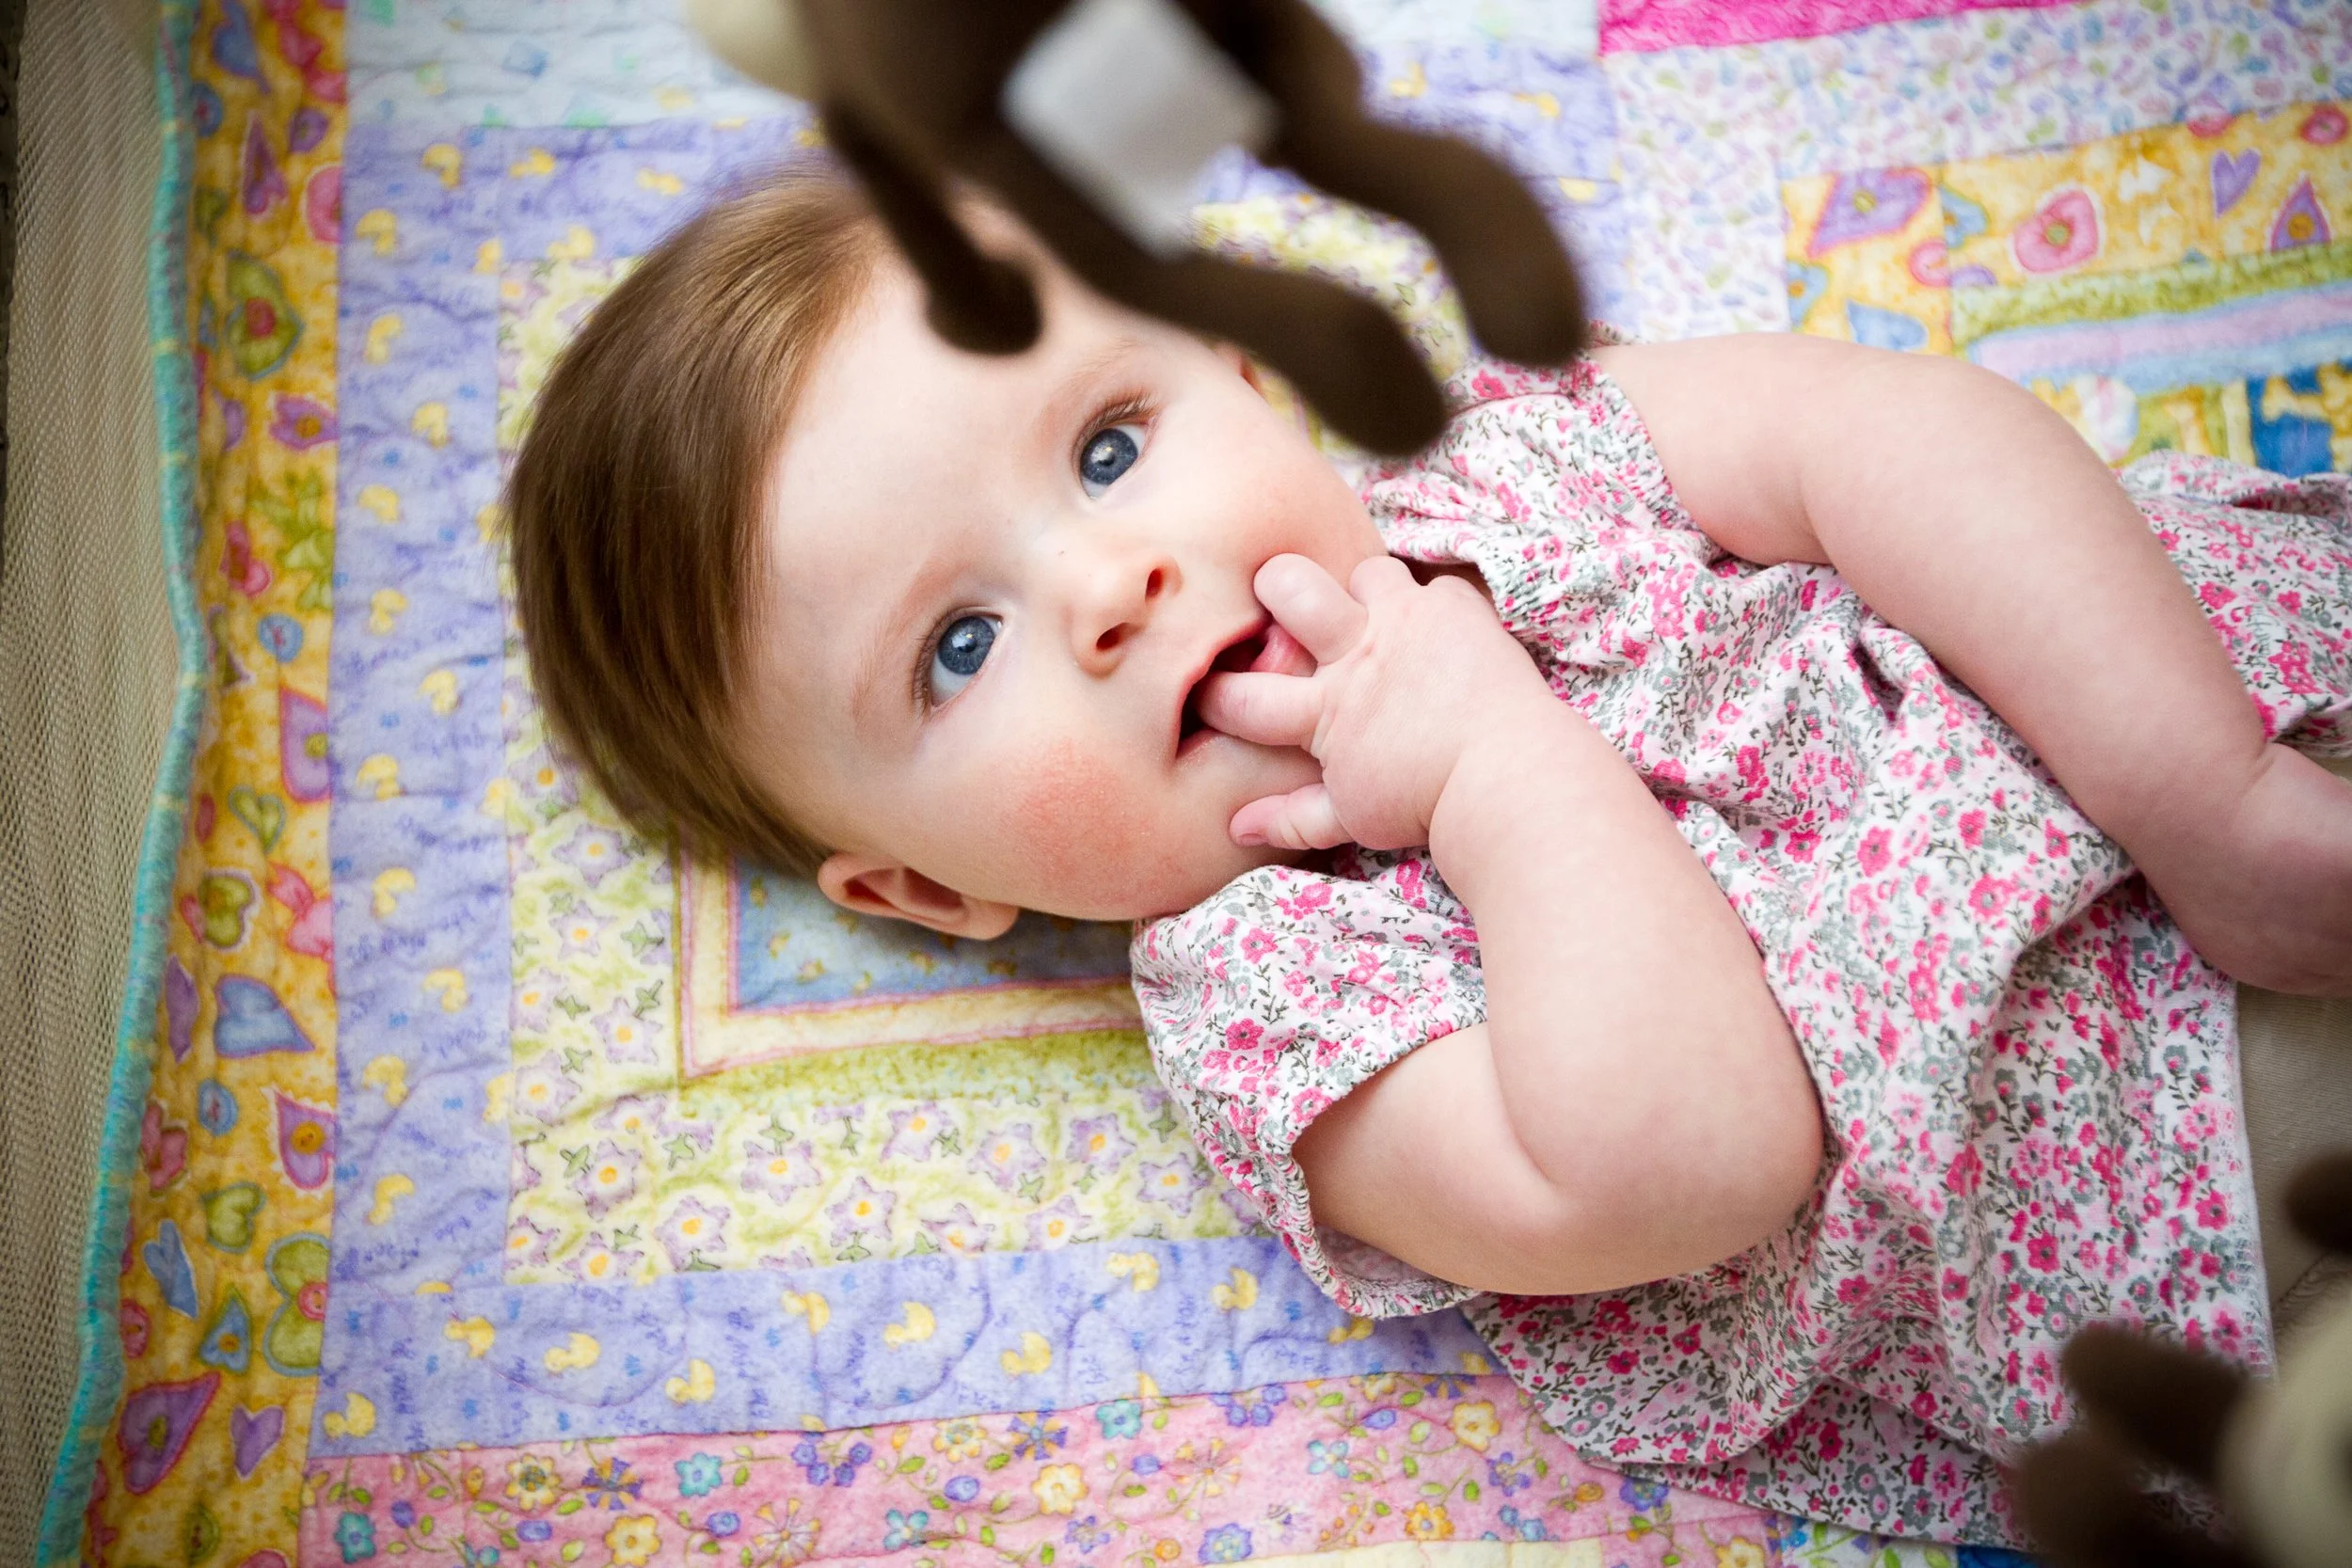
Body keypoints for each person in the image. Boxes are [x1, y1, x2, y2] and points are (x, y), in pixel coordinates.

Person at [504, 174, 2352, 1542]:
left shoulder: (1499, 451)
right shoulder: (1272, 1002)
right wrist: (1485, 763)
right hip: (2210, 1228)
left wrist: (2192, 788)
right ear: (922, 886)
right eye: (955, 646)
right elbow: (1693, 1157)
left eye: (1106, 444)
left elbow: (1877, 435)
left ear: (1244, 377)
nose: (1106, 583)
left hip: (2236, 736)